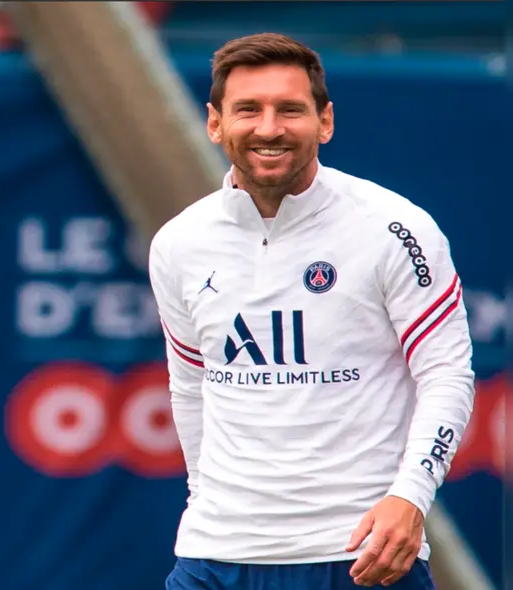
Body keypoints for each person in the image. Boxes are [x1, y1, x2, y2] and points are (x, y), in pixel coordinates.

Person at [147, 33, 475, 589]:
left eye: (290, 110)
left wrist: (410, 497)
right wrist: (203, 499)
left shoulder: (396, 228)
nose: (269, 128)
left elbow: (447, 374)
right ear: (215, 123)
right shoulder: (178, 242)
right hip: (215, 555)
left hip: (357, 556)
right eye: (248, 109)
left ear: (325, 122)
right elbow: (190, 385)